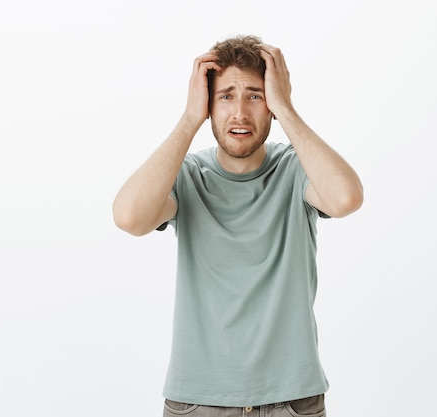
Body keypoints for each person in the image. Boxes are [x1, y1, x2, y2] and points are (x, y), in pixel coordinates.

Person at [112, 35, 363, 416]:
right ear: (209, 104)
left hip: (291, 401)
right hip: (198, 402)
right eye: (226, 96)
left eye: (256, 96)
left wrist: (287, 108)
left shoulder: (296, 169)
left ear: (273, 105)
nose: (240, 113)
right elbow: (129, 218)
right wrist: (188, 119)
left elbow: (346, 198)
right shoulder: (188, 174)